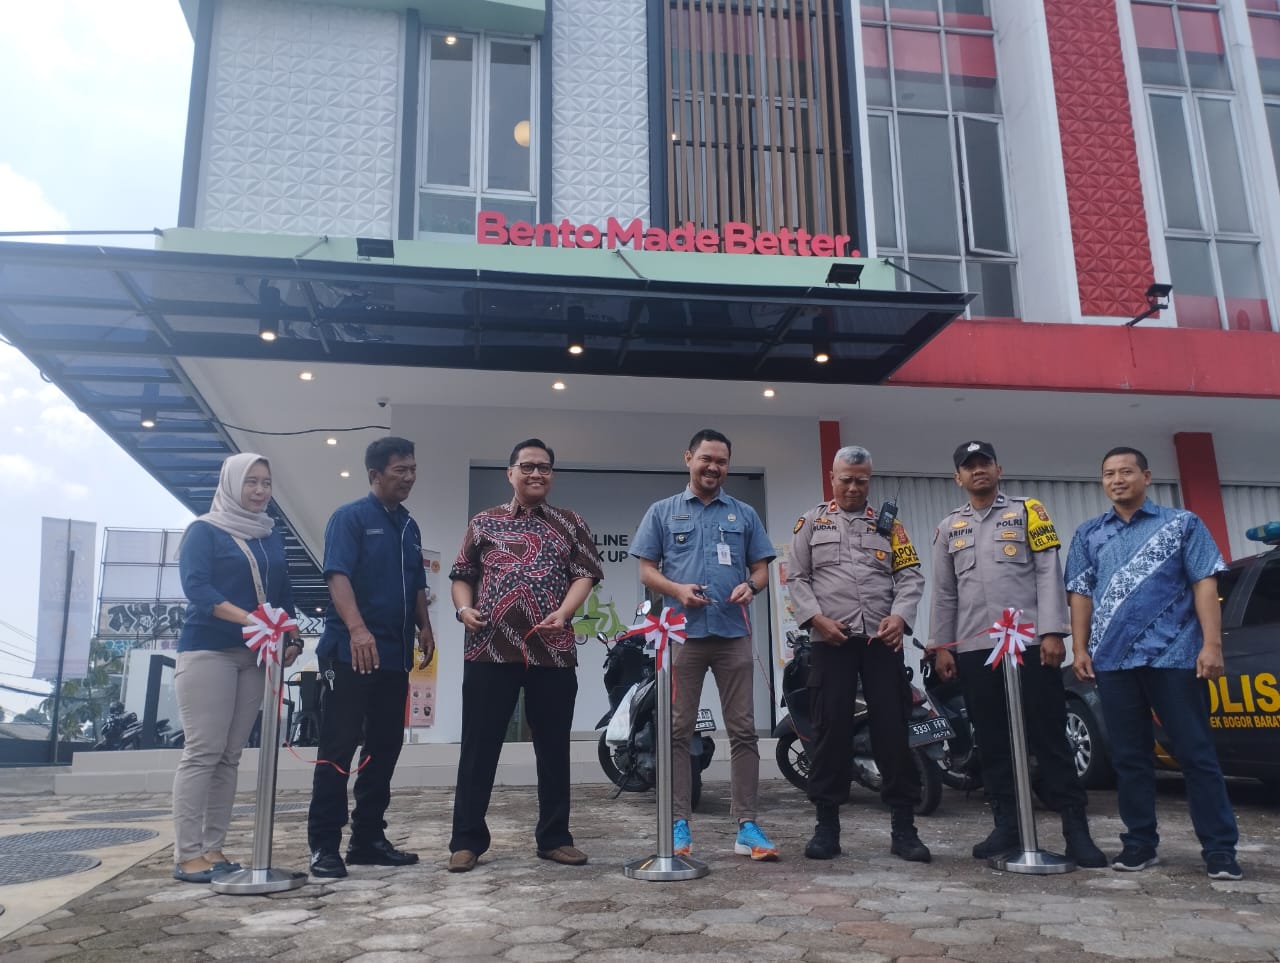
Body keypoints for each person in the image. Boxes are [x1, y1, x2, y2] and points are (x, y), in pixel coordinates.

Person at [1065, 446, 1242, 880]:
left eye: (1126, 471)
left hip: (1175, 656)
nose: (1117, 480)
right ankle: (1139, 843)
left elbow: (1204, 583)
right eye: (1109, 473)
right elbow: (1080, 593)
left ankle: (1220, 849)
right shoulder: (1089, 534)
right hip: (1113, 661)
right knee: (1129, 757)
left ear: (1146, 476)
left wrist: (1212, 644)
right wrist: (1080, 649)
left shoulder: (1182, 524)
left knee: (1195, 754)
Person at [929, 440, 1105, 866]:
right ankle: (1006, 825)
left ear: (998, 469)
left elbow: (1048, 572)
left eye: (984, 463)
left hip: (1030, 645)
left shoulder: (1029, 512)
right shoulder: (949, 527)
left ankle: (1075, 830)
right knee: (991, 741)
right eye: (969, 466)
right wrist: (941, 647)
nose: (978, 470)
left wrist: (1053, 632)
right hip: (975, 649)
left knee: (1049, 735)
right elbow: (945, 592)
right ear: (958, 477)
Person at [447, 438, 603, 872]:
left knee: (553, 748)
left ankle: (555, 838)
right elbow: (461, 575)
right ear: (510, 472)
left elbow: (585, 575)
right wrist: (463, 609)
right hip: (488, 650)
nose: (537, 473)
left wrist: (565, 612)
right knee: (479, 748)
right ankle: (466, 841)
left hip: (552, 652)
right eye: (528, 466)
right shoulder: (484, 522)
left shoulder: (570, 522)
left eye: (545, 467)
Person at [631, 428, 779, 860]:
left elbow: (761, 570)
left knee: (744, 731)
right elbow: (646, 571)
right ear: (689, 459)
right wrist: (677, 590)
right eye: (706, 459)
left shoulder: (744, 514)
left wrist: (752, 586)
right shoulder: (662, 512)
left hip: (733, 635)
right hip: (683, 635)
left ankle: (747, 826)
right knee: (678, 731)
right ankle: (679, 823)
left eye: (721, 461)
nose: (714, 467)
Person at [787, 446, 930, 862]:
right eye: (846, 479)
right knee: (830, 730)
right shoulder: (812, 522)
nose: (853, 487)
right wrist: (816, 620)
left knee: (893, 730)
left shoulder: (890, 526)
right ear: (833, 478)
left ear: (870, 480)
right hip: (831, 643)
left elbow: (910, 577)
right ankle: (826, 827)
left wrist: (900, 617)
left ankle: (904, 829)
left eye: (861, 480)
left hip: (881, 643)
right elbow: (796, 577)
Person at [307, 437, 436, 879]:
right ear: (374, 475)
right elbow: (337, 576)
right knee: (339, 747)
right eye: (401, 470)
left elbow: (417, 583)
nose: (409, 477)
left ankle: (367, 839)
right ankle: (324, 845)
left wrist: (424, 626)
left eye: (413, 469)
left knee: (384, 747)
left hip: (395, 657)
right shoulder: (349, 518)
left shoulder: (409, 526)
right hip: (350, 653)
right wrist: (357, 629)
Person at [172, 452, 302, 883]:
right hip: (208, 650)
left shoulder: (270, 535)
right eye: (251, 482)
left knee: (230, 755)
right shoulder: (204, 530)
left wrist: (291, 638)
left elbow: (282, 593)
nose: (260, 490)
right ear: (231, 484)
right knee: (203, 751)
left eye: (266, 482)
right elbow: (197, 589)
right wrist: (251, 621)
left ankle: (213, 848)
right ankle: (187, 854)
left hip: (256, 657)